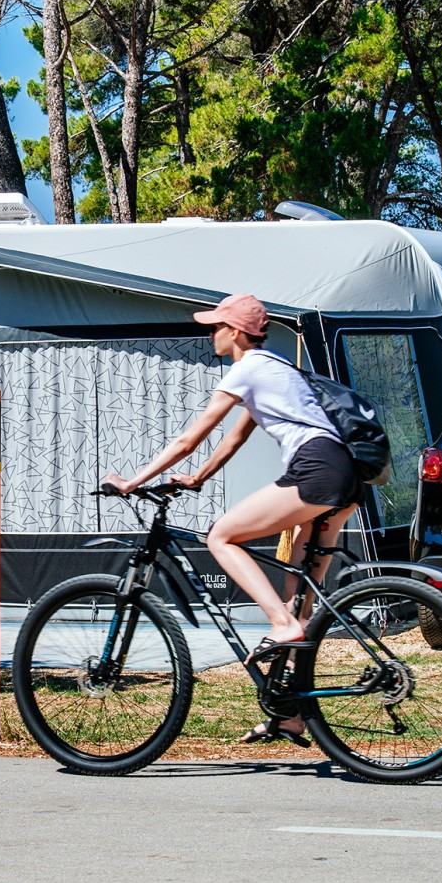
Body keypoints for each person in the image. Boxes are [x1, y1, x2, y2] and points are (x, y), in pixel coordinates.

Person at [103, 293, 363, 746]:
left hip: (317, 470)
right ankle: (291, 714)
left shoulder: (247, 369)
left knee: (222, 536)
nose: (211, 333)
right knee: (297, 596)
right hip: (347, 476)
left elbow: (191, 436)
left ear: (237, 332)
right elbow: (234, 438)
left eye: (216, 326)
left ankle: (281, 628)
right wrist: (197, 479)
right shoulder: (275, 368)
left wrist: (132, 481)